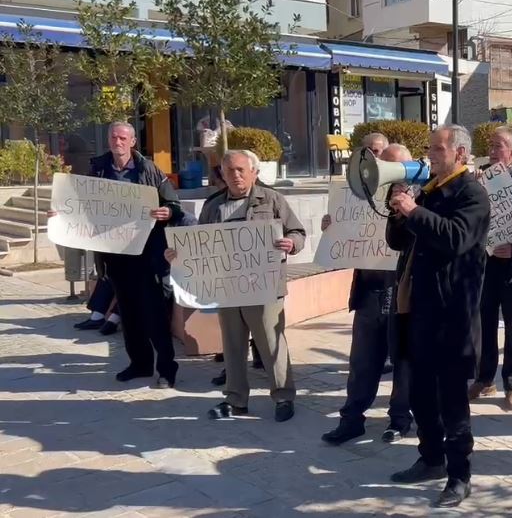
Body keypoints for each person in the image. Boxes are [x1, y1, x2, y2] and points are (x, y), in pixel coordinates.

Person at [386, 124, 489, 508]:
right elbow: (399, 242)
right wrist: (398, 212)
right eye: (430, 148)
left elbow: (456, 238)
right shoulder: (428, 191)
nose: (430, 154)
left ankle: (459, 475)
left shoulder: (472, 194)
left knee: (452, 401)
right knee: (419, 394)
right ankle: (431, 458)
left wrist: (414, 211)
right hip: (418, 312)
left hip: (451, 317)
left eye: (437, 148)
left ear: (460, 153)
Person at [168, 149, 306, 423]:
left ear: (254, 172)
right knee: (232, 345)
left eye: (241, 169)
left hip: (265, 288)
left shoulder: (272, 199)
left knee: (271, 343)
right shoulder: (213, 206)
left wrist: (291, 244)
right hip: (228, 288)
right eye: (229, 170)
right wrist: (177, 254)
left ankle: (283, 396)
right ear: (221, 174)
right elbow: (199, 244)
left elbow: (297, 233)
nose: (235, 175)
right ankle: (235, 399)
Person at [55, 122, 182, 388]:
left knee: (155, 315)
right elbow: (81, 205)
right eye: (114, 136)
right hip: (116, 256)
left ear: (133, 141)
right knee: (130, 313)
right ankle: (140, 364)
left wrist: (167, 213)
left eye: (123, 137)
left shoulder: (148, 170)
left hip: (148, 256)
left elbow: (174, 205)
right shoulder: (98, 169)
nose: (118, 141)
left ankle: (167, 369)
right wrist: (61, 215)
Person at [321, 143, 414, 445]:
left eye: (398, 169)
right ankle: (352, 419)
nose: (389, 175)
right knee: (362, 361)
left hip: (402, 293)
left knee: (403, 361)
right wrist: (333, 228)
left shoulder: (420, 202)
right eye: (385, 167)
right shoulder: (360, 199)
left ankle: (399, 420)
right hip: (369, 291)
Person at [468, 126, 512, 411]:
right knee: (483, 325)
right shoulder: (481, 178)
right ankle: (485, 378)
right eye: (491, 146)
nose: (493, 151)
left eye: (498, 146)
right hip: (485, 265)